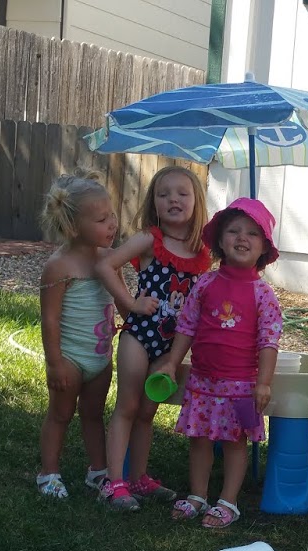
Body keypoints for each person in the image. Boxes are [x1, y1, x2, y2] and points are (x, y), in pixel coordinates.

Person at [153, 197, 283, 529]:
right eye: (234, 231)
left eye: (252, 233)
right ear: (221, 241)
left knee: (235, 442)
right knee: (199, 440)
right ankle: (198, 495)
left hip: (242, 386)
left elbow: (269, 341)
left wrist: (264, 383)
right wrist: (171, 363)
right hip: (203, 381)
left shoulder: (263, 294)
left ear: (264, 247)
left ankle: (228, 501)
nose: (242, 238)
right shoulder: (206, 283)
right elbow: (187, 326)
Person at [93, 166, 212, 510]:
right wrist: (129, 304)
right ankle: (113, 482)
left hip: (172, 347)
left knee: (147, 412)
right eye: (163, 194)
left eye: (182, 193)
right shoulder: (150, 239)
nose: (173, 199)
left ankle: (138, 478)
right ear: (153, 203)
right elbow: (105, 265)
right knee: (128, 406)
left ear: (196, 201)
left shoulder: (202, 251)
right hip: (139, 336)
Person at [34, 173, 120, 499]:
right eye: (101, 220)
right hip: (70, 358)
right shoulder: (59, 266)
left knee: (94, 414)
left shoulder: (111, 260)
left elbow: (122, 300)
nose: (112, 224)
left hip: (101, 356)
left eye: (112, 215)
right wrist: (54, 363)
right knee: (60, 414)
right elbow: (50, 319)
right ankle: (48, 473)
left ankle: (98, 471)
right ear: (73, 227)